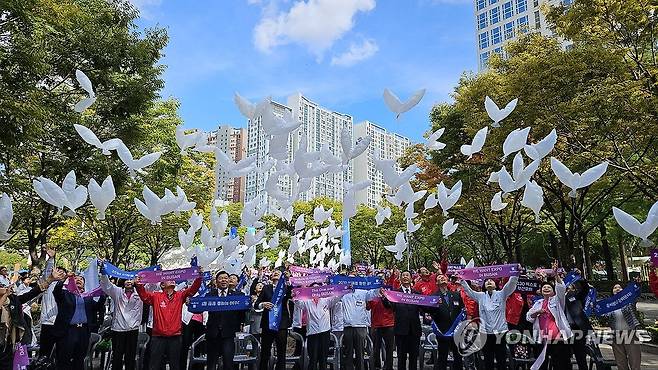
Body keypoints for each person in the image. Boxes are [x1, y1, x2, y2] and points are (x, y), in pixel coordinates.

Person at [135, 268, 202, 370]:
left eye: (173, 279)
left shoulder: (180, 295)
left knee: (175, 365)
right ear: (162, 285)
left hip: (175, 337)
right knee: (155, 365)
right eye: (168, 279)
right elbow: (144, 296)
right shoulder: (156, 296)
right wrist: (139, 284)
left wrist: (199, 277)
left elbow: (193, 290)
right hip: (158, 337)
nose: (172, 280)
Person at [460, 272, 519, 370]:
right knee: (488, 359)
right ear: (484, 285)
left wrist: (515, 273)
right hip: (485, 332)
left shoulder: (502, 294)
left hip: (500, 332)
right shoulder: (480, 296)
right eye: (486, 281)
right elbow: (468, 291)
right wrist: (461, 279)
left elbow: (511, 284)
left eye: (491, 280)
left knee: (501, 359)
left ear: (495, 284)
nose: (489, 282)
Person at [0, 271, 53, 370]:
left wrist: (50, 279)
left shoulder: (13, 300)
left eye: (4, 285)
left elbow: (31, 294)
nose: (4, 288)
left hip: (8, 343)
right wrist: (4, 295)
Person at [53, 271, 107, 370]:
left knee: (79, 359)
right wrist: (63, 279)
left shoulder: (88, 297)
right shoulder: (65, 294)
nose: (78, 280)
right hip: (68, 331)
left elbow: (97, 308)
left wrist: (103, 296)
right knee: (64, 359)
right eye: (76, 278)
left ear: (84, 284)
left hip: (83, 331)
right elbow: (56, 291)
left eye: (81, 279)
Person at [526, 261, 573, 370]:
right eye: (544, 288)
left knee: (560, 364)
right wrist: (536, 313)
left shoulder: (558, 300)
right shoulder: (537, 303)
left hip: (558, 338)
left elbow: (561, 288)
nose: (546, 289)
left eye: (549, 288)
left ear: (553, 291)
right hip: (541, 338)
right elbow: (528, 317)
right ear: (541, 291)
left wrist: (555, 274)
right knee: (542, 364)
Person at [200, 270, 248, 370]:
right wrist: (190, 303)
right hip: (212, 334)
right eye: (221, 278)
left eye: (226, 278)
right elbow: (199, 308)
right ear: (216, 281)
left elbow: (243, 311)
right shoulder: (209, 295)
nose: (224, 280)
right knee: (211, 364)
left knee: (228, 363)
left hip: (228, 334)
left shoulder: (238, 296)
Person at [99, 268, 144, 370]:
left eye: (131, 279)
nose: (128, 281)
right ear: (123, 281)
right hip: (118, 330)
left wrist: (157, 272)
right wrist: (104, 271)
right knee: (117, 357)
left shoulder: (141, 293)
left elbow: (153, 285)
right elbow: (106, 285)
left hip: (133, 330)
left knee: (130, 357)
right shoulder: (117, 292)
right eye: (126, 279)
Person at [291, 282, 343, 370]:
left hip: (324, 333)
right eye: (313, 289)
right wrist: (294, 296)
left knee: (323, 359)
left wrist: (343, 289)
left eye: (318, 289)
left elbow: (337, 297)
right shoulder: (307, 302)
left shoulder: (327, 300)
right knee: (313, 359)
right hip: (312, 333)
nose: (316, 291)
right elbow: (298, 303)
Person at [254, 268, 293, 370]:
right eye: (274, 272)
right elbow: (256, 304)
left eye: (278, 273)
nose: (275, 273)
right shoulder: (266, 288)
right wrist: (263, 304)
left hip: (281, 323)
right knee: (265, 351)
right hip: (267, 323)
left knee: (281, 352)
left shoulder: (285, 287)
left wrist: (288, 279)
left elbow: (290, 293)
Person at [384, 270, 423, 370]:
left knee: (414, 357)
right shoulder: (395, 293)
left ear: (411, 278)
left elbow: (424, 308)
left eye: (407, 275)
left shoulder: (417, 294)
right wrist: (384, 298)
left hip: (414, 330)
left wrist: (434, 302)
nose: (405, 277)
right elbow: (389, 306)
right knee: (401, 357)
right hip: (401, 330)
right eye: (403, 275)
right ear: (401, 279)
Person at [426, 272, 464, 370]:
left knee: (458, 356)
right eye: (439, 278)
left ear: (447, 281)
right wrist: (432, 309)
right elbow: (429, 312)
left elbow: (462, 310)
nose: (442, 278)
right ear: (437, 283)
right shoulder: (433, 297)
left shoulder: (456, 295)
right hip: (442, 331)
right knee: (442, 357)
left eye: (443, 277)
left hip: (456, 331)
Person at [340, 281, 380, 370]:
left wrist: (379, 288)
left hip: (361, 326)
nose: (351, 283)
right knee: (348, 352)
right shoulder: (343, 293)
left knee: (360, 352)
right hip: (348, 327)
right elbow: (334, 297)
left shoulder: (363, 292)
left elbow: (372, 294)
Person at [602, 282, 642, 370]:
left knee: (634, 360)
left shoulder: (629, 301)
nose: (617, 289)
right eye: (615, 287)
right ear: (612, 291)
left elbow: (636, 294)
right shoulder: (609, 304)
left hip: (630, 333)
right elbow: (604, 316)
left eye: (619, 287)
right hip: (616, 334)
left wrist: (638, 285)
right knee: (620, 362)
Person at [565, 274, 593, 370]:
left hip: (577, 329)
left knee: (580, 356)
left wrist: (581, 278)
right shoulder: (556, 297)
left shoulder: (575, 296)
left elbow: (585, 290)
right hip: (563, 330)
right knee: (565, 357)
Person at [368, 273, 395, 370]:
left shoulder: (390, 291)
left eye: (382, 278)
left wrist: (385, 296)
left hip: (389, 323)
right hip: (376, 324)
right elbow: (367, 307)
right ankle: (376, 365)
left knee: (389, 348)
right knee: (375, 348)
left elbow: (393, 306)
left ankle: (389, 366)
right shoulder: (371, 293)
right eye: (378, 278)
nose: (381, 280)